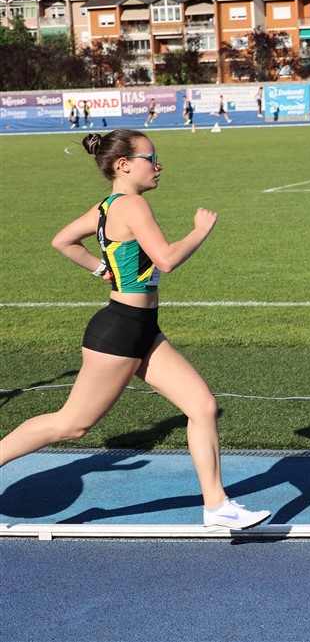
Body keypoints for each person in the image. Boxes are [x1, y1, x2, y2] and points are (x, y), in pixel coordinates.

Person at [0, 129, 270, 530]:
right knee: (71, 424)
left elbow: (63, 241)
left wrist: (101, 269)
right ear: (124, 165)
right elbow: (166, 259)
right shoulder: (131, 205)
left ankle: (217, 506)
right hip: (120, 332)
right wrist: (199, 230)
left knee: (202, 407)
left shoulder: (106, 207)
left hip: (143, 329)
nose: (159, 165)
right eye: (151, 158)